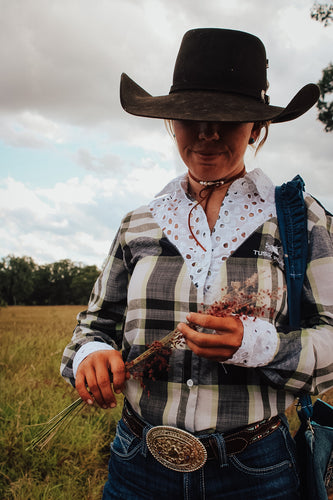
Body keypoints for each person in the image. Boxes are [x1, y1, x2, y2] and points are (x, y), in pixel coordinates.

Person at [60, 28, 333, 499]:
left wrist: (261, 346)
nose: (206, 133)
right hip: (137, 465)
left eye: (226, 118)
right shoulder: (139, 223)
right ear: (170, 122)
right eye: (190, 117)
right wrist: (91, 356)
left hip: (255, 473)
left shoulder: (298, 219)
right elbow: (94, 326)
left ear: (257, 126)